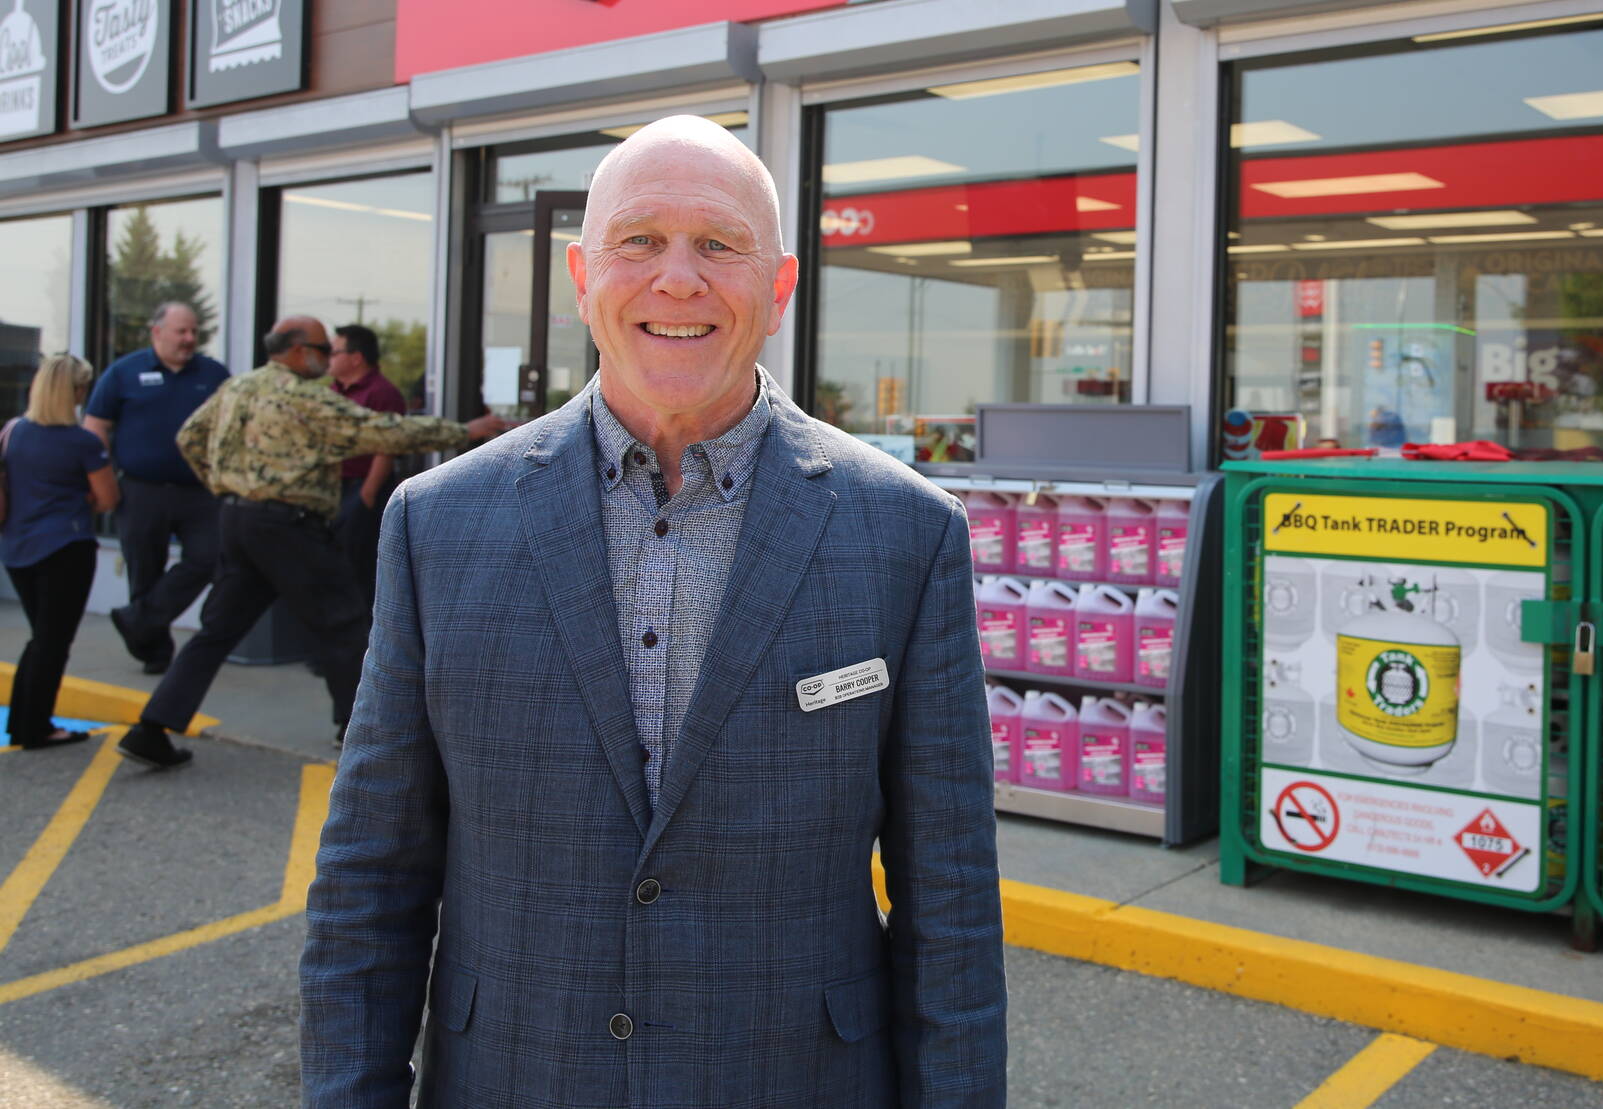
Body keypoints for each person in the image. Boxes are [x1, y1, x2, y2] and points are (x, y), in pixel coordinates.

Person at [300, 116, 1005, 1107]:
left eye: (718, 244)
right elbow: (370, 879)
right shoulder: (437, 525)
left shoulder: (906, 532)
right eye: (640, 241)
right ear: (583, 278)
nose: (678, 278)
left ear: (778, 289)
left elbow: (952, 901)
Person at [114, 318, 509, 770]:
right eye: (323, 349)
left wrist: (227, 484)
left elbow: (190, 437)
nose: (327, 358)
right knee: (344, 625)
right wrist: (466, 431)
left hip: (238, 520)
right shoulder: (304, 397)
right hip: (288, 525)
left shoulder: (238, 387)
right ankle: (367, 737)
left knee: (217, 631)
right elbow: (384, 431)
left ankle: (151, 728)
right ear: (300, 351)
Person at [82, 302, 230, 674]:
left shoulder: (213, 374)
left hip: (200, 491)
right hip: (140, 490)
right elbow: (95, 425)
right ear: (157, 332)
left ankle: (139, 619)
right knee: (144, 569)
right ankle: (155, 652)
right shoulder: (124, 372)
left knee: (209, 558)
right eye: (181, 331)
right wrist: (100, 476)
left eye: (194, 331)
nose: (189, 338)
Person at [3, 354, 118, 749]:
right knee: (53, 642)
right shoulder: (83, 442)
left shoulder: (13, 431)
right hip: (65, 548)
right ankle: (37, 728)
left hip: (17, 549)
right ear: (76, 391)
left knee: (40, 638)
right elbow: (108, 498)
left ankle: (23, 723)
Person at [328, 324, 405, 606]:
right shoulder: (332, 392)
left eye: (334, 352)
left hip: (362, 489)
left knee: (357, 567)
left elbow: (387, 446)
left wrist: (367, 496)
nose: (328, 359)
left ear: (356, 358)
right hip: (333, 490)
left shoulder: (381, 392)